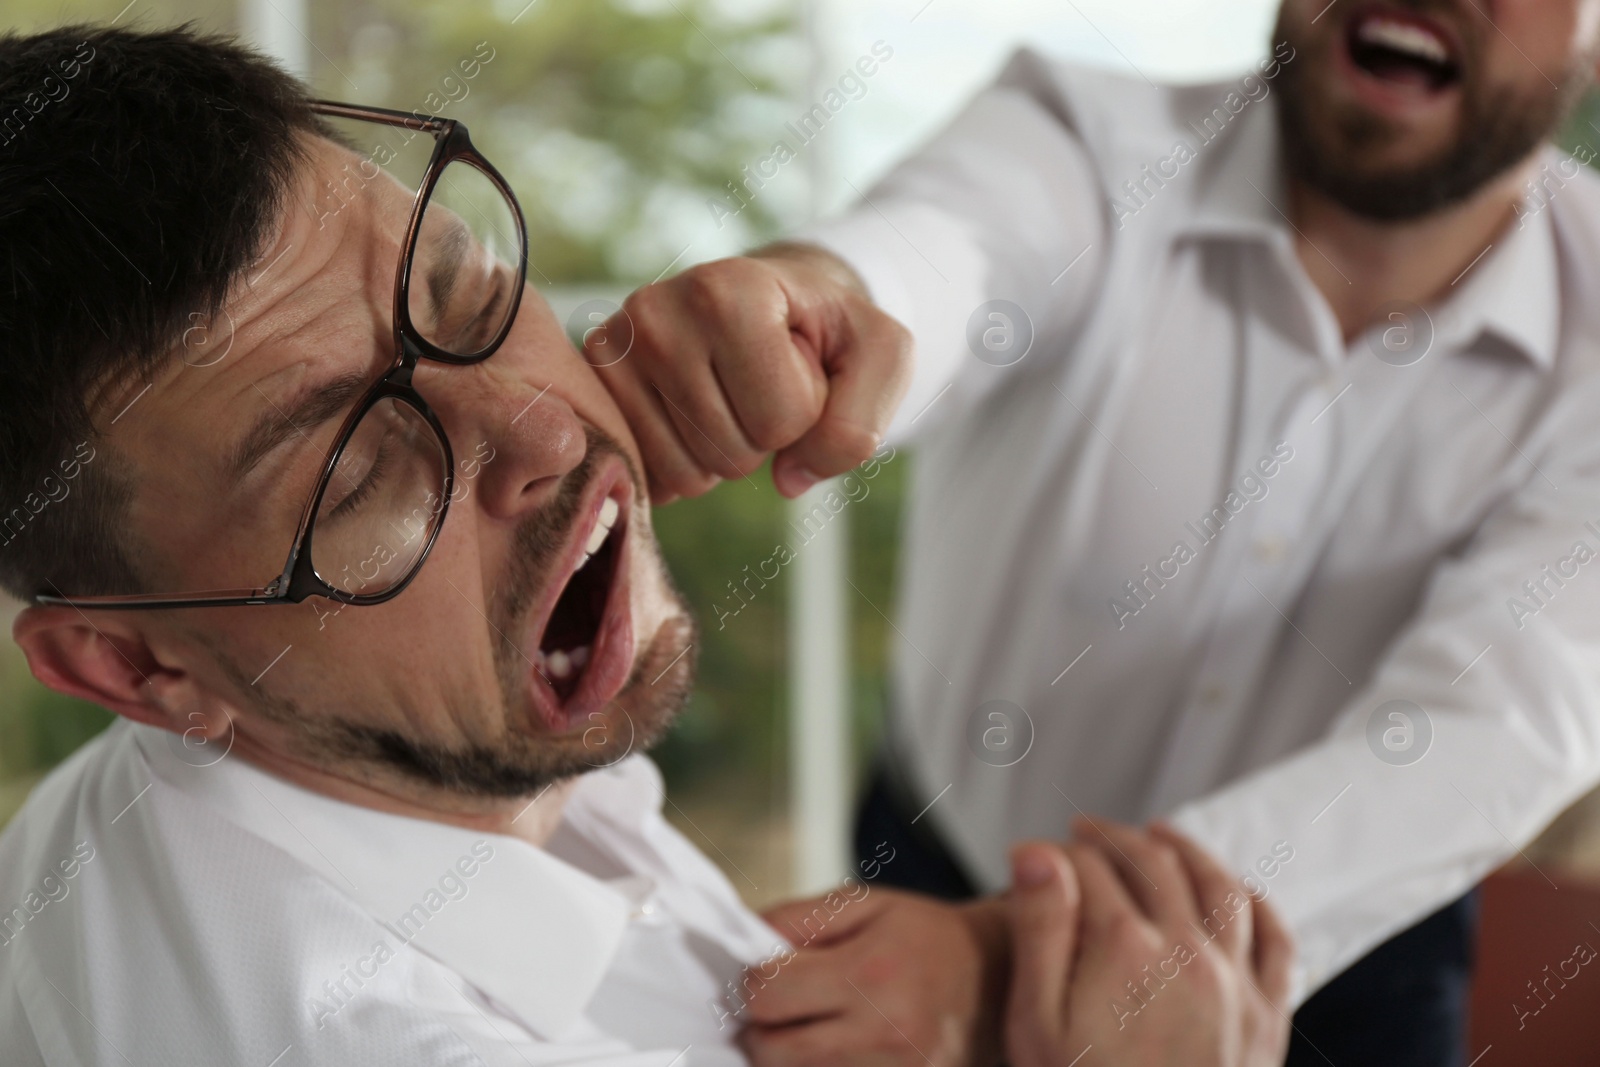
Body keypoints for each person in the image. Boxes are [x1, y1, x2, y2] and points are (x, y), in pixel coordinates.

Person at [0, 24, 1291, 1067]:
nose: (541, 430)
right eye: (358, 470)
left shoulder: (286, 766)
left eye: (466, 296)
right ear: (128, 664)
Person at [596, 0, 1600, 1062]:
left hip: (1343, 952)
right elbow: (949, 250)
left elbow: (1496, 719)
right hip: (937, 851)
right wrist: (818, 304)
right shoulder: (1079, 134)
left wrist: (1009, 961)